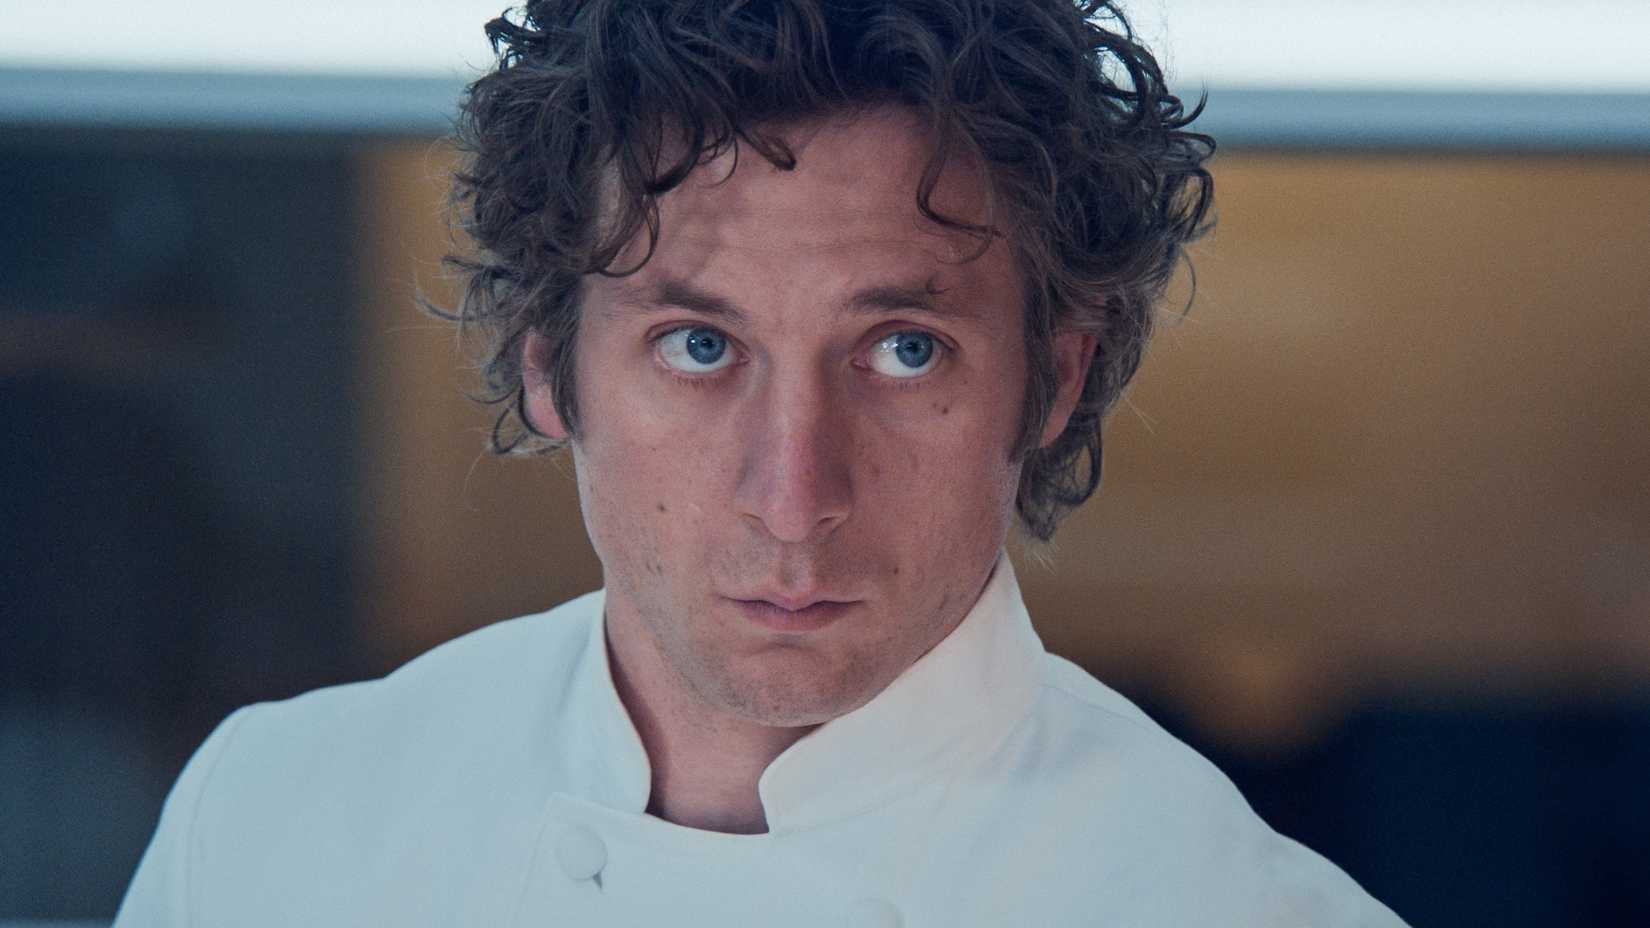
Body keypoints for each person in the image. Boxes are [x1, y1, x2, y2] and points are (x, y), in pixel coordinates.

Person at [118, 0, 1408, 924]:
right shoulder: (272, 829)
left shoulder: (1228, 905)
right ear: (547, 365)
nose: (793, 499)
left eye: (903, 350)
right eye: (699, 345)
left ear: (1053, 382)